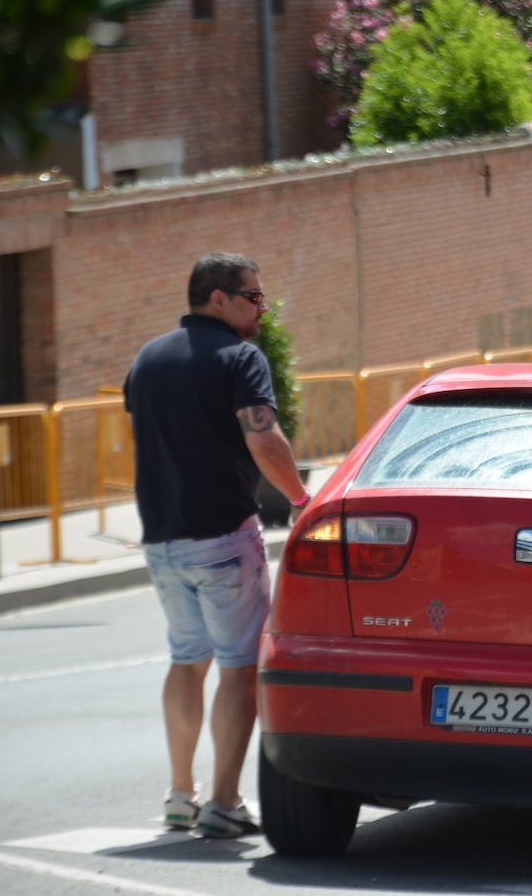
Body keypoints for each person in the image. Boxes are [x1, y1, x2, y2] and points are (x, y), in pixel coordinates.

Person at [124, 252, 311, 838]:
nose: (262, 306)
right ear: (218, 299)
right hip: (224, 537)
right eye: (253, 296)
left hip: (162, 541)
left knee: (187, 659)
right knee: (237, 668)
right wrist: (304, 501)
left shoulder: (148, 359)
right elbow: (264, 438)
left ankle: (181, 795)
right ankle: (225, 802)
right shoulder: (239, 357)